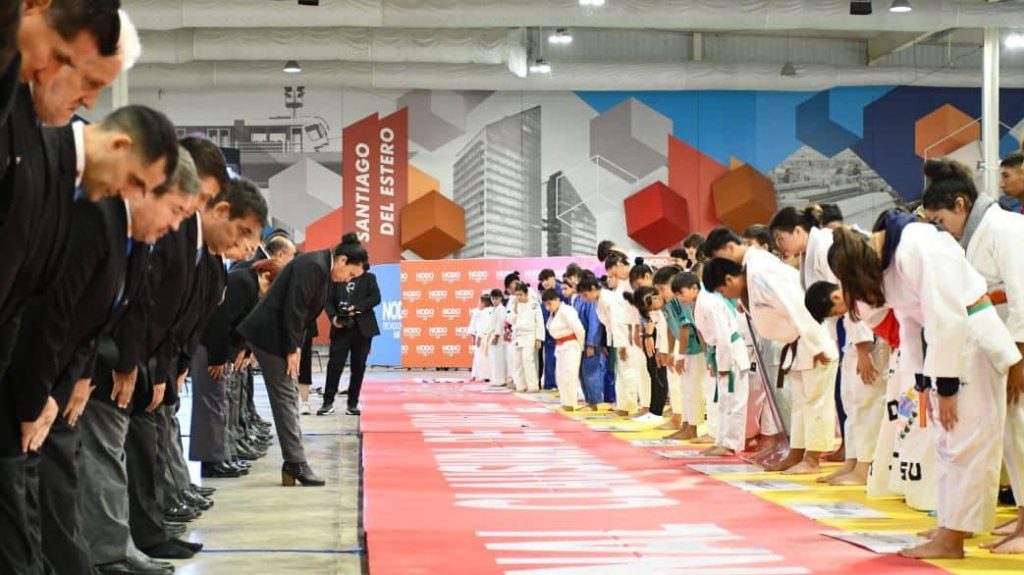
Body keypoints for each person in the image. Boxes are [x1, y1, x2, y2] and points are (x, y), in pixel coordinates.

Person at [828, 210, 1020, 559]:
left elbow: (945, 317)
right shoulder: (891, 258)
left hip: (970, 341)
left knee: (964, 443)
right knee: (946, 442)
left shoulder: (916, 246)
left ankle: (954, 537)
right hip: (949, 349)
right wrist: (922, 385)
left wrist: (944, 387)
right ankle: (951, 525)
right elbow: (910, 325)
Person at [920, 158, 1024, 554]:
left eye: (941, 219)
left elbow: (1022, 295)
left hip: (1014, 344)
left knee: (1021, 430)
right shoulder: (973, 234)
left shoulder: (1005, 228)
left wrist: (1019, 358)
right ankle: (1019, 517)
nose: (939, 228)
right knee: (1012, 435)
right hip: (995, 346)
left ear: (961, 204)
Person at [703, 227, 839, 474]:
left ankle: (812, 458)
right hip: (796, 343)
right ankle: (797, 452)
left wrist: (817, 345)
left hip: (811, 339)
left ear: (729, 250)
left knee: (816, 402)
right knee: (800, 403)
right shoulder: (752, 269)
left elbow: (797, 304)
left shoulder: (760, 269)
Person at [238, 233, 368, 486]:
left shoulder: (320, 266)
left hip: (277, 336)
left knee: (287, 396)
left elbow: (302, 313)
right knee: (286, 397)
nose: (347, 280)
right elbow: (294, 308)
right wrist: (292, 349)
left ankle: (294, 462)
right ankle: (295, 462)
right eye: (350, 274)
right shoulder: (314, 265)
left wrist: (294, 346)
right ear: (341, 260)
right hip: (270, 337)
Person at [769, 205, 853, 472]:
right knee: (813, 397)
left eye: (782, 239)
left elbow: (841, 295)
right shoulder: (808, 251)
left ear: (797, 230)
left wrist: (822, 343)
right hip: (822, 329)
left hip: (840, 327)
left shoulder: (824, 245)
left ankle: (816, 457)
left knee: (829, 397)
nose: (780, 246)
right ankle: (814, 451)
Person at [805, 280, 888, 486]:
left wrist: (862, 352)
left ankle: (865, 466)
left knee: (868, 407)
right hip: (852, 350)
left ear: (834, 298)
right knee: (851, 407)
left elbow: (863, 322)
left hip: (870, 352)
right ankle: (852, 462)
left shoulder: (857, 291)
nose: (837, 315)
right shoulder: (849, 295)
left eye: (834, 312)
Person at [319, 262, 381, 416]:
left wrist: (358, 308)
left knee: (358, 367)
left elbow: (376, 298)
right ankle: (327, 402)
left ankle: (352, 403)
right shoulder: (337, 277)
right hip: (341, 328)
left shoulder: (369, 278)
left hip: (363, 329)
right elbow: (327, 301)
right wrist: (333, 318)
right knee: (334, 366)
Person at [669, 273, 713, 442]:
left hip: (708, 350)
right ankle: (691, 426)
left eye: (681, 293)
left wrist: (710, 355)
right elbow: (701, 331)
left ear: (695, 288)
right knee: (689, 389)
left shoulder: (707, 301)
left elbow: (688, 330)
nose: (679, 298)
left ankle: (713, 433)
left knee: (704, 391)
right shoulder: (695, 302)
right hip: (708, 350)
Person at [605, 252, 641, 416]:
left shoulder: (631, 283)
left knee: (630, 372)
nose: (612, 277)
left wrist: (625, 342)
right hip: (619, 335)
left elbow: (630, 315)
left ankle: (631, 406)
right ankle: (622, 406)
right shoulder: (619, 288)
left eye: (613, 273)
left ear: (620, 265)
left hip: (630, 335)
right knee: (622, 372)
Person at [627, 287, 669, 424]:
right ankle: (654, 410)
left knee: (660, 373)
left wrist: (660, 347)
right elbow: (653, 322)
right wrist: (650, 338)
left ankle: (657, 412)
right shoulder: (656, 311)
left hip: (671, 342)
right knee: (654, 372)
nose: (650, 310)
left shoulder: (669, 305)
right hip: (659, 339)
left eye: (650, 305)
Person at [543, 289, 585, 411]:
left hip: (571, 345)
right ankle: (565, 402)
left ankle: (571, 403)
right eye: (545, 304)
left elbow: (579, 329)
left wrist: (580, 346)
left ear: (557, 300)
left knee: (569, 375)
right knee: (560, 376)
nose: (547, 307)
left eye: (549, 303)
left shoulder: (567, 311)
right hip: (560, 346)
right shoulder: (554, 314)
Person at [509, 283, 544, 393]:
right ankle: (520, 385)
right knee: (517, 362)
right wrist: (514, 310)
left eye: (521, 295)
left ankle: (532, 386)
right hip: (518, 335)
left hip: (530, 335)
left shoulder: (534, 304)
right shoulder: (515, 305)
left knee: (528, 360)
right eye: (517, 295)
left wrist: (538, 338)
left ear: (526, 294)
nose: (519, 297)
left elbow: (539, 322)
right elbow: (511, 321)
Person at [487, 288, 509, 387]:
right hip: (493, 335)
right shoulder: (494, 309)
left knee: (498, 359)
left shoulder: (501, 309)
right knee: (494, 359)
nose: (494, 300)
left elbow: (500, 324)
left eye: (496, 298)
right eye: (492, 298)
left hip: (498, 337)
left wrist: (496, 335)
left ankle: (500, 380)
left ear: (500, 298)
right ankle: (496, 379)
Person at [469, 295, 493, 382]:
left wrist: (479, 336)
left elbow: (483, 326)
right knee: (478, 357)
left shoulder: (486, 312)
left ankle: (486, 376)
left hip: (483, 337)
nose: (478, 304)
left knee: (482, 357)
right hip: (483, 336)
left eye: (480, 302)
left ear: (484, 303)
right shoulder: (482, 312)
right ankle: (476, 375)